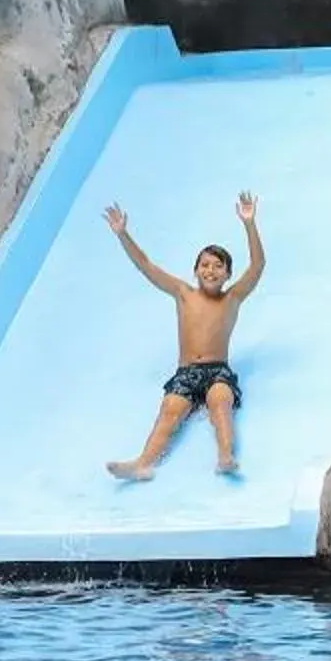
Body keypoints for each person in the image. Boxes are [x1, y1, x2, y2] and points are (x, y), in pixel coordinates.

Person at [103, 193, 265, 480]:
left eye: (218, 266)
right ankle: (143, 463)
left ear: (228, 274)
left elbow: (257, 266)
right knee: (170, 409)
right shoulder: (183, 294)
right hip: (187, 371)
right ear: (195, 271)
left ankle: (225, 456)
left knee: (221, 402)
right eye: (205, 265)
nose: (210, 270)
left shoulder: (232, 298)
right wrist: (123, 235)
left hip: (217, 371)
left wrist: (249, 224)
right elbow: (146, 266)